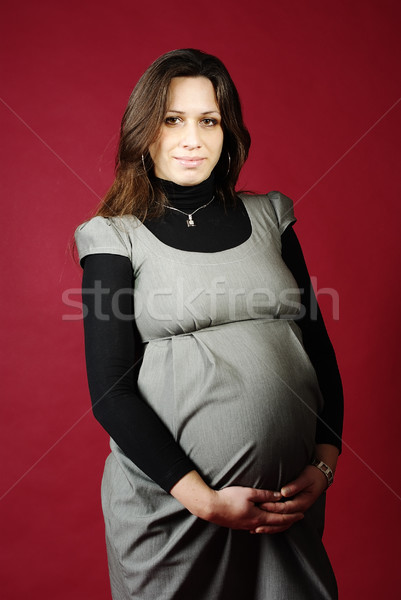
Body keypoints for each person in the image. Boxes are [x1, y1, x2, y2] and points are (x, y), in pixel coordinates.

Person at [75, 48, 344, 600]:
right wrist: (205, 500)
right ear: (143, 131)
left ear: (229, 133)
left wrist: (324, 466)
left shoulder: (270, 216)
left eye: (209, 120)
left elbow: (317, 349)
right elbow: (110, 392)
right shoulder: (113, 236)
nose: (192, 138)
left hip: (283, 517)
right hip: (171, 513)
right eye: (173, 119)